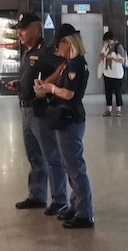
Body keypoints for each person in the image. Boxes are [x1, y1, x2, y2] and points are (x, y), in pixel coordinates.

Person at [6, 13, 68, 216]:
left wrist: (47, 83)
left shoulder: (46, 50)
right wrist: (20, 83)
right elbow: (31, 76)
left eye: (23, 29)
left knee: (51, 156)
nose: (20, 33)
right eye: (18, 29)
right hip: (25, 109)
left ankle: (59, 200)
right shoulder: (28, 52)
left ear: (36, 29)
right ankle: (37, 196)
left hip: (39, 110)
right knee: (34, 156)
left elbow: (63, 66)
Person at [35, 24, 94, 229]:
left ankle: (84, 213)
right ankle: (75, 206)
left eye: (58, 45)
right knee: (69, 165)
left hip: (70, 118)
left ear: (67, 43)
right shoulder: (72, 63)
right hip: (65, 118)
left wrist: (51, 88)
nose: (56, 50)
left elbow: (68, 94)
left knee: (75, 168)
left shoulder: (75, 65)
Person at [99, 31, 125, 117]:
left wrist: (112, 58)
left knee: (117, 92)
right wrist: (103, 56)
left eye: (108, 41)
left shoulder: (118, 47)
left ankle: (118, 110)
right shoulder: (106, 46)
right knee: (108, 92)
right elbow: (102, 55)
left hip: (117, 74)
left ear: (112, 40)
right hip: (107, 73)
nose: (106, 43)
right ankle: (108, 110)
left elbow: (122, 60)